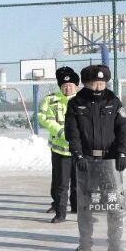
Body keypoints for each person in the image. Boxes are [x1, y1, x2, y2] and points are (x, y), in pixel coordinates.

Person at [64, 64, 126, 251]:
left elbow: (123, 130)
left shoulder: (114, 102)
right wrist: (78, 155)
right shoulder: (76, 103)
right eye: (94, 83)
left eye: (102, 83)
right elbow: (72, 133)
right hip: (86, 161)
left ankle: (115, 243)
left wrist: (122, 153)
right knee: (86, 205)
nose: (98, 87)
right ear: (86, 84)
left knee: (114, 203)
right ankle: (85, 243)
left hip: (110, 161)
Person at [37, 66, 79, 223]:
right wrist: (61, 132)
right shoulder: (51, 100)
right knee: (60, 182)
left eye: (70, 85)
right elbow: (44, 118)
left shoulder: (83, 100)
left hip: (79, 149)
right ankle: (60, 211)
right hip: (60, 149)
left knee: (79, 182)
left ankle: (77, 208)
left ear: (76, 86)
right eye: (64, 85)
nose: (67, 88)